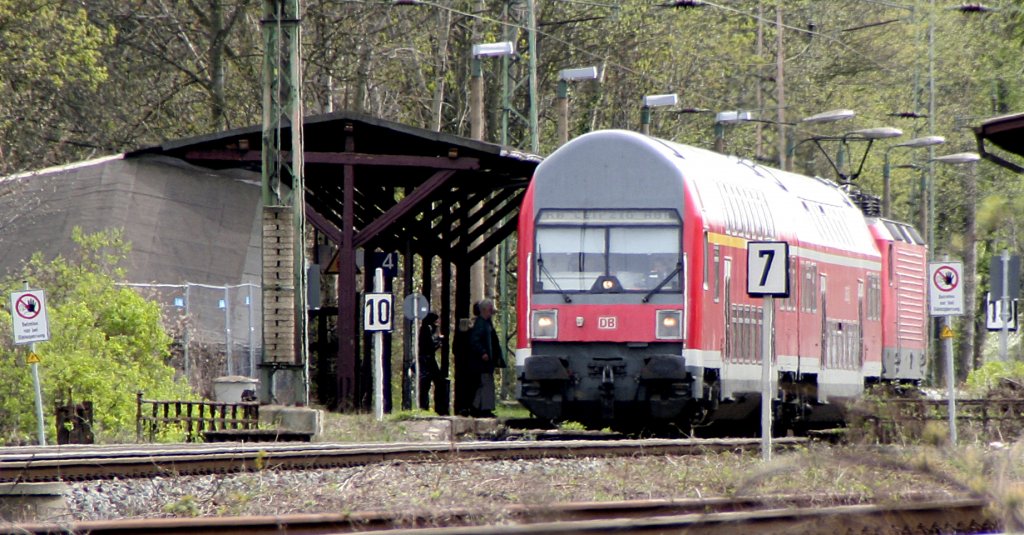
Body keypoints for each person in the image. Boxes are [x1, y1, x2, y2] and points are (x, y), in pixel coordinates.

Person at [468, 299, 505, 417]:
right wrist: (483, 352)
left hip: (487, 361)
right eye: (489, 310)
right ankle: (484, 409)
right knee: (486, 384)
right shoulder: (480, 324)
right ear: (484, 310)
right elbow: (474, 340)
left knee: (483, 384)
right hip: (482, 362)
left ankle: (476, 408)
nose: (491, 313)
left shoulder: (487, 323)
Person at [417, 312, 443, 411]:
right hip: (427, 360)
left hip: (426, 359)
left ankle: (425, 406)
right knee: (431, 383)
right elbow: (429, 346)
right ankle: (428, 406)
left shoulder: (425, 329)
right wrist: (438, 342)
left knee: (426, 384)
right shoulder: (427, 329)